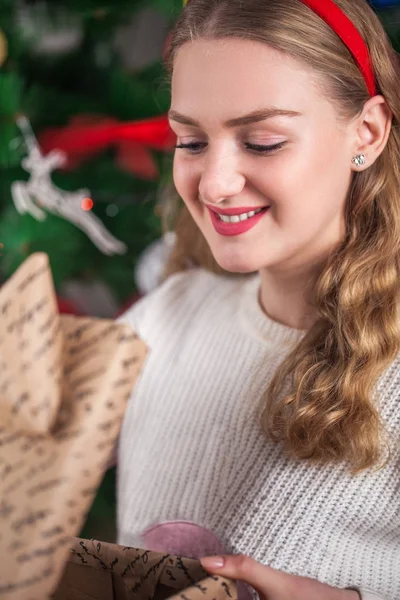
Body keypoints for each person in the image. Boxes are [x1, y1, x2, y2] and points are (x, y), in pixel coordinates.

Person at [116, 1, 400, 599]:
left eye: (264, 142)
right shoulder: (168, 317)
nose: (214, 183)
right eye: (190, 141)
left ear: (367, 133)